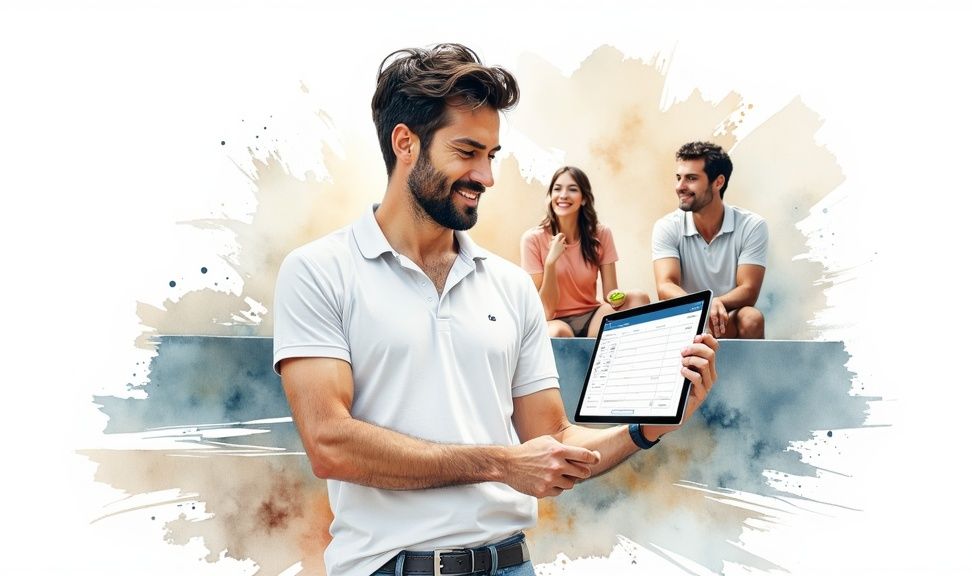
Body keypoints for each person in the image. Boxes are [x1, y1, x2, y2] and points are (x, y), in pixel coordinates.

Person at [273, 44, 719, 576]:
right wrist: (500, 463)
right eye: (468, 152)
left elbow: (551, 440)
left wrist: (647, 428)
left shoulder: (509, 287)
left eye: (492, 155)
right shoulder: (319, 271)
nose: (486, 175)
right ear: (405, 144)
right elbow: (330, 443)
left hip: (511, 565)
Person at [651, 141, 769, 339]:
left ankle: (748, 371)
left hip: (725, 318)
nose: (680, 187)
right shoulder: (666, 226)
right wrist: (705, 304)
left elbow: (748, 290)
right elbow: (665, 286)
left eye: (691, 178)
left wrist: (715, 304)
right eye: (679, 178)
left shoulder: (752, 225)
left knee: (752, 317)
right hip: (684, 317)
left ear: (718, 182)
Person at [519, 166, 650, 338]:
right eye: (557, 189)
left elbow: (610, 293)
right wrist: (551, 262)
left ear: (584, 199)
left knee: (639, 298)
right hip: (555, 321)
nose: (563, 195)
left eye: (572, 189)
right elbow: (545, 312)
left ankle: (606, 355)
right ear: (550, 196)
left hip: (592, 317)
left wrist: (617, 297)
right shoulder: (533, 239)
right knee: (560, 332)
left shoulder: (601, 233)